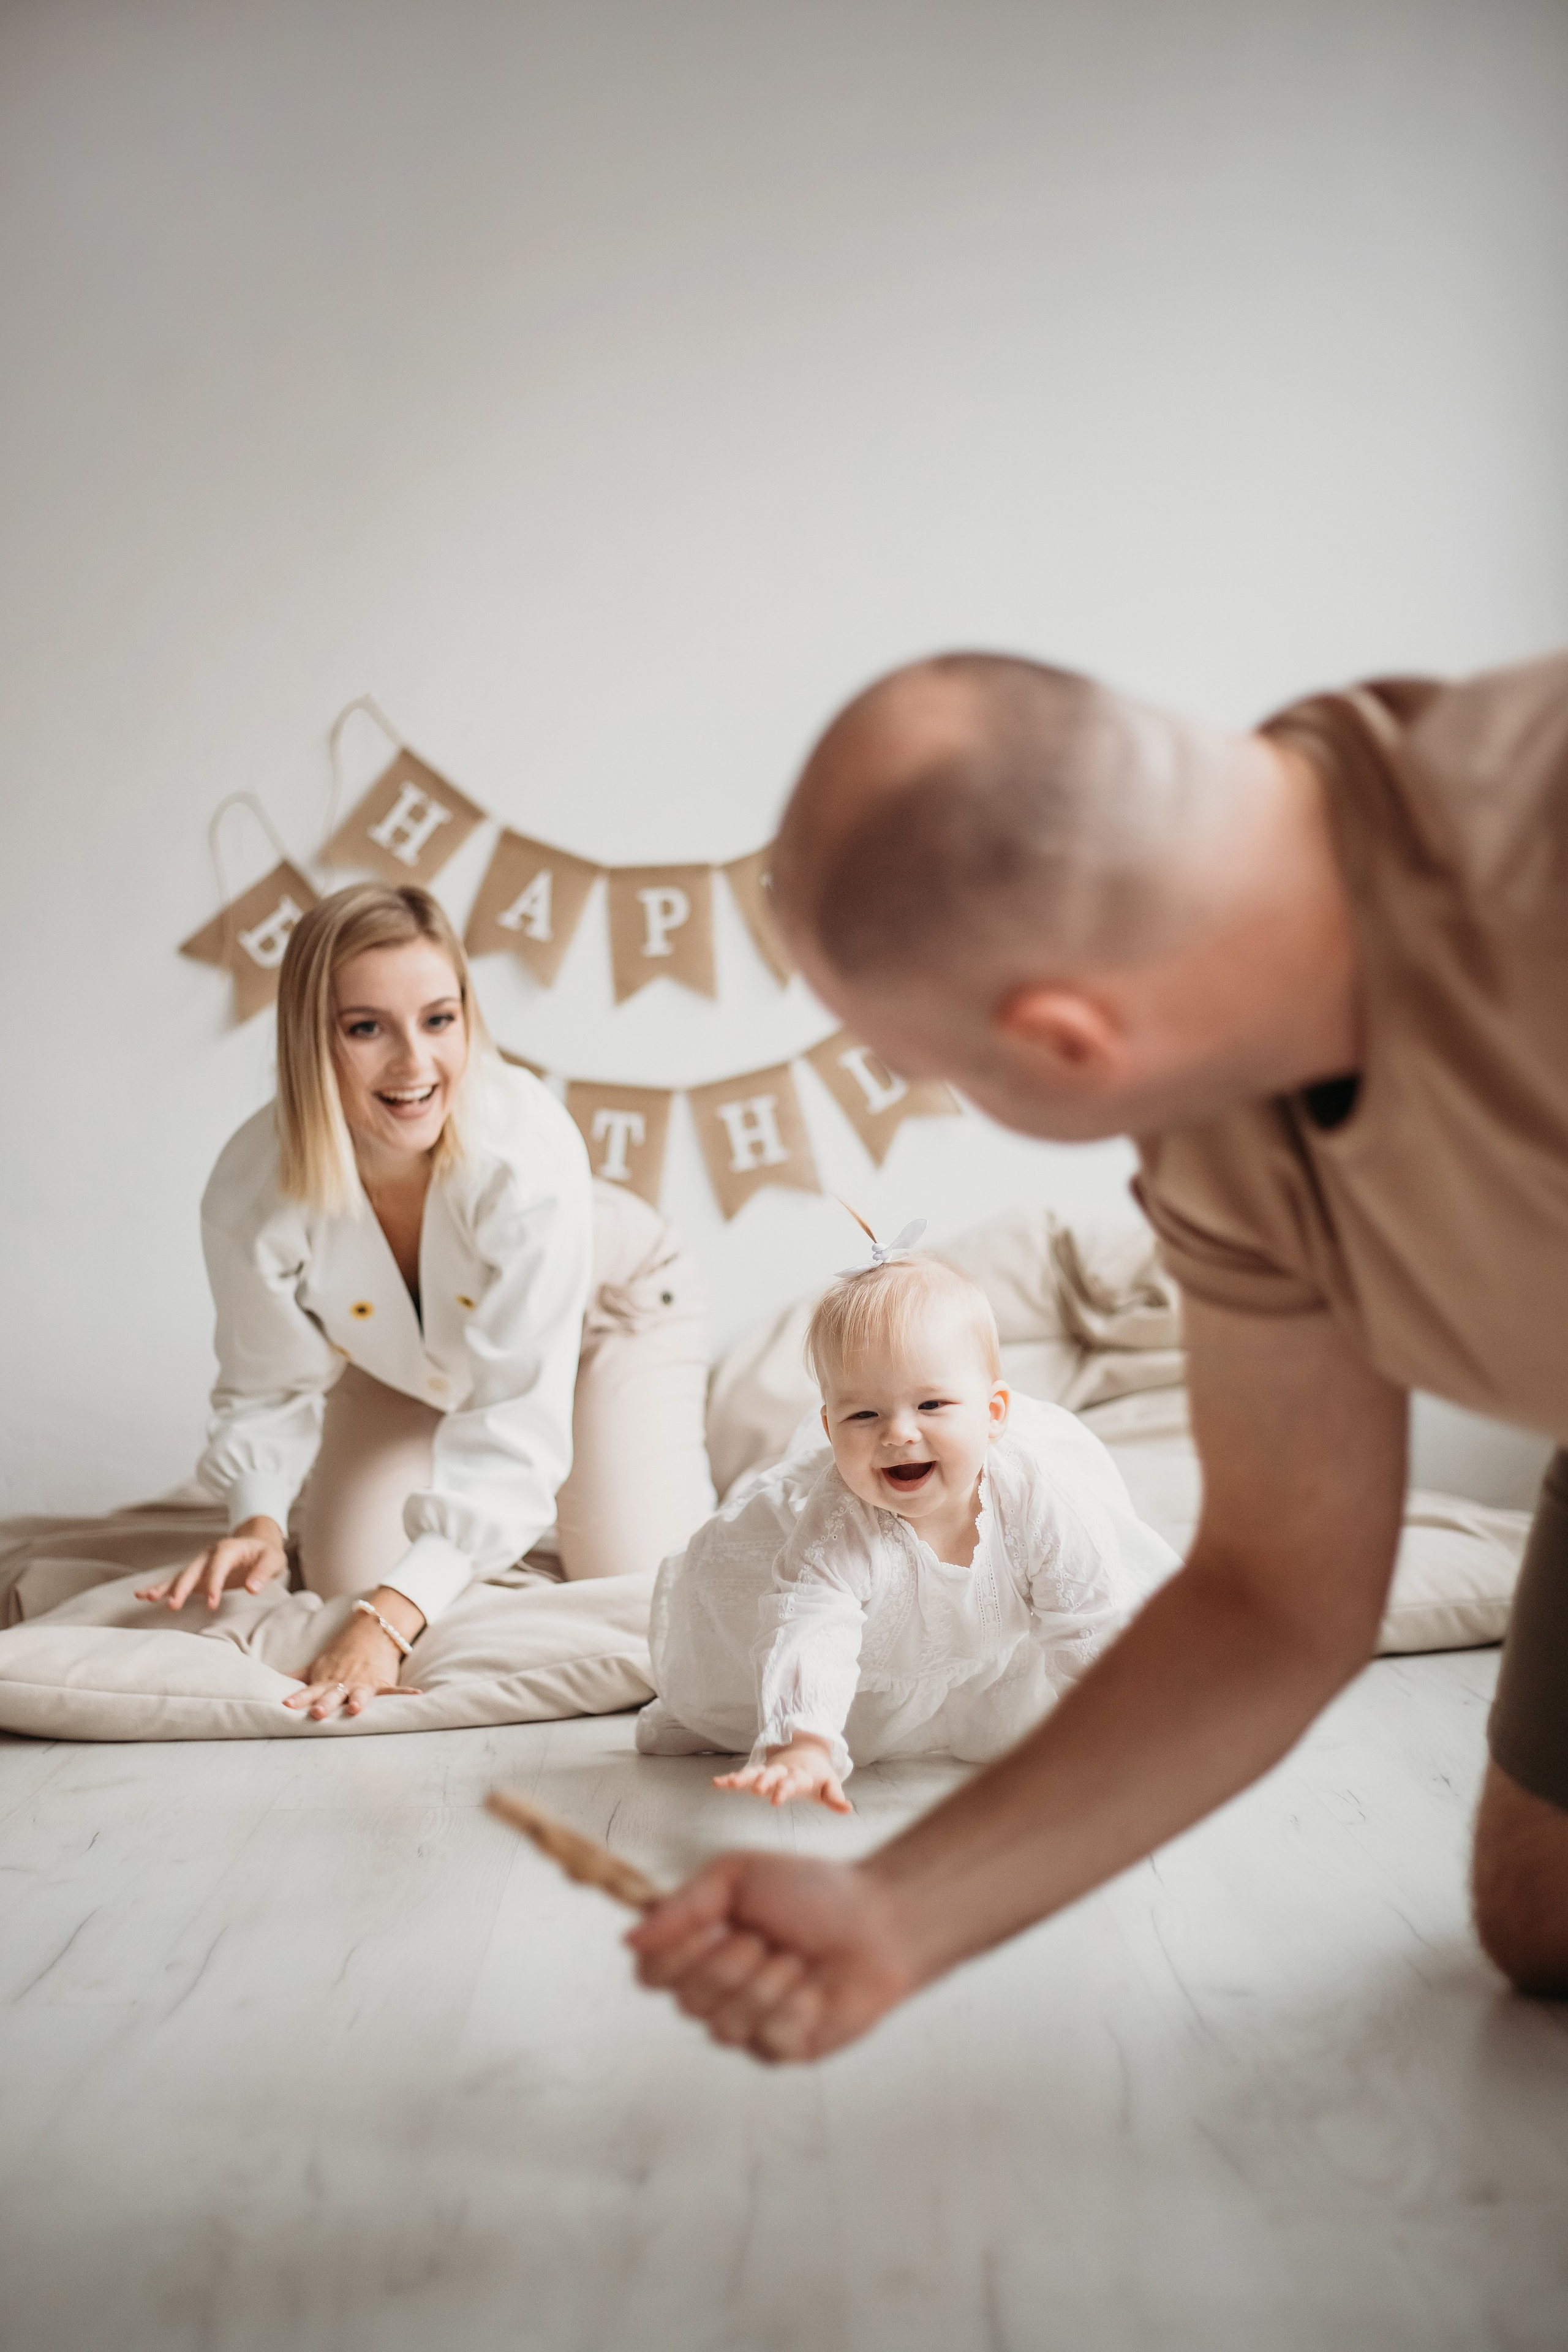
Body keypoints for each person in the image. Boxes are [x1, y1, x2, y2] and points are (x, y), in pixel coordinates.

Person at [628, 645, 1568, 2057]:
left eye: (937, 1074)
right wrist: (892, 1912)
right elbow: (1270, 1593)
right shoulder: (1220, 1140)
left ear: (1061, 1043)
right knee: (1536, 1917)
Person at [138, 881, 712, 1719]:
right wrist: (257, 1520)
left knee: (642, 1586)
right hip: (405, 1367)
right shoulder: (250, 1192)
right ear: (310, 1039)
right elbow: (267, 1383)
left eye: (439, 1020)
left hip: (612, 1317)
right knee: (345, 1578)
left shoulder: (525, 1153)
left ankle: (623, 1451)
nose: (413, 1065)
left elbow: (516, 1412)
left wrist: (389, 1622)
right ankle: (504, 1524)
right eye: (366, 1028)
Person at [638, 1250, 1175, 1808]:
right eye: (863, 1415)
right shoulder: (840, 1519)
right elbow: (810, 1625)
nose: (898, 1433)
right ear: (830, 1427)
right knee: (791, 1697)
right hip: (877, 1662)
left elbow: (1089, 1620)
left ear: (993, 1414)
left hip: (1007, 1652)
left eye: (931, 1404)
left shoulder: (1036, 1497)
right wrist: (802, 1744)